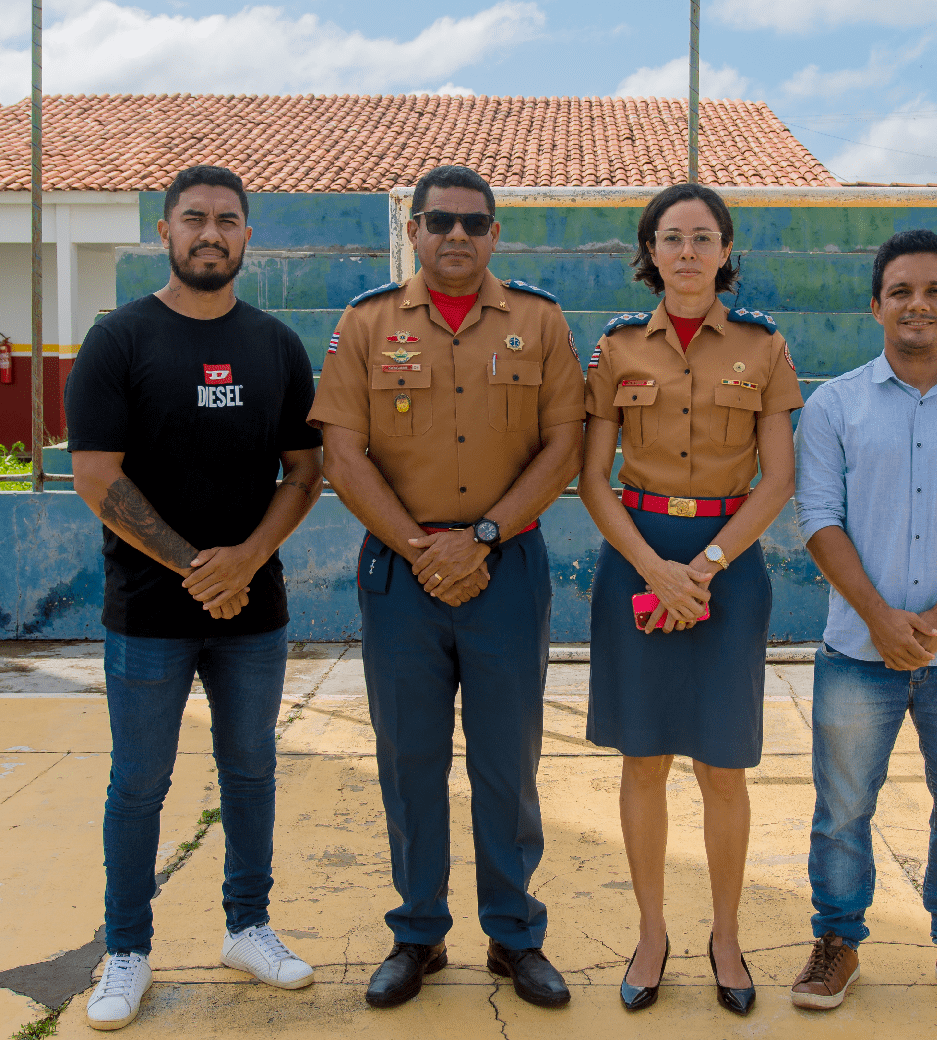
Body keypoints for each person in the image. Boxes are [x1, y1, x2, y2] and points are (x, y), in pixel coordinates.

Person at [308, 165, 586, 1010]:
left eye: (473, 223)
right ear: (414, 232)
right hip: (403, 572)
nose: (456, 235)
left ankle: (514, 936)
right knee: (410, 758)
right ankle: (418, 934)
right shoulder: (366, 323)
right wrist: (424, 549)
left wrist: (484, 539)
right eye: (439, 222)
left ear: (495, 234)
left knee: (507, 761)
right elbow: (341, 453)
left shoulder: (539, 322)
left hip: (508, 568)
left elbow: (565, 445)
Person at [65, 165, 325, 1031]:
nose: (210, 233)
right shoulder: (118, 339)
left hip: (254, 608)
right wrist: (194, 568)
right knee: (140, 782)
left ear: (247, 234)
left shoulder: (276, 345)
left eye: (227, 220)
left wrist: (245, 560)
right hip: (149, 612)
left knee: (250, 769)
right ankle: (127, 950)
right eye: (193, 219)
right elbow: (96, 476)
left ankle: (248, 928)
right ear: (165, 232)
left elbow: (305, 470)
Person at [786, 229, 937, 1017]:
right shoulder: (835, 406)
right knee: (841, 811)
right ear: (876, 306)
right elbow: (818, 518)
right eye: (900, 291)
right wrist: (880, 620)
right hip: (857, 653)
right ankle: (837, 941)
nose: (916, 305)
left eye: (932, 291)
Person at [580, 183, 803, 1015]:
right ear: (650, 251)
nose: (686, 251)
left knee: (722, 763)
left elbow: (778, 478)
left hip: (727, 563)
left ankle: (726, 936)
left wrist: (703, 566)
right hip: (637, 554)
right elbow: (592, 480)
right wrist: (654, 569)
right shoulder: (616, 348)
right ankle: (651, 934)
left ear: (725, 251)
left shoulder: (763, 347)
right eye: (671, 237)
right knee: (643, 759)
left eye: (702, 237)